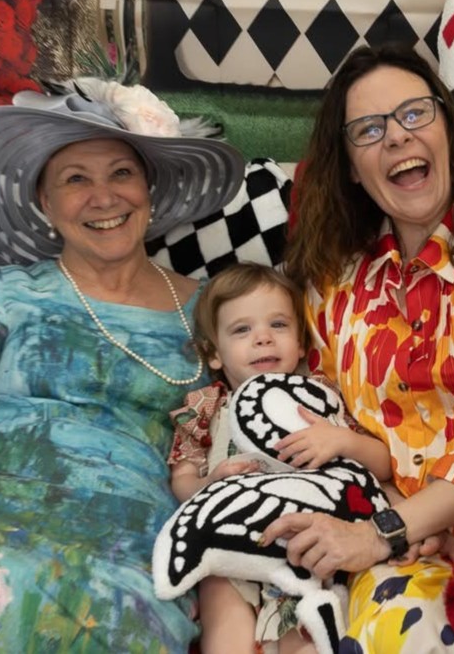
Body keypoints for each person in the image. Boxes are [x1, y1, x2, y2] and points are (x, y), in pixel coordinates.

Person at [0, 79, 244, 652]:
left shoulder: (216, 308)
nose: (103, 198)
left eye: (120, 173)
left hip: (133, 537)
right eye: (75, 179)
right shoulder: (6, 296)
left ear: (149, 188)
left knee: (124, 614)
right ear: (45, 202)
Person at [263, 44, 454, 652]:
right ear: (352, 166)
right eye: (369, 129)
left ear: (448, 131)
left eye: (414, 114)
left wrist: (389, 530)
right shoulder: (335, 286)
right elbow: (326, 418)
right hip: (372, 527)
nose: (396, 138)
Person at [167, 261, 393, 654]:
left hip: (313, 545)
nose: (263, 339)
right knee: (223, 610)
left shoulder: (321, 396)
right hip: (236, 545)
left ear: (302, 343)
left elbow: (383, 464)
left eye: (278, 325)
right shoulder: (206, 406)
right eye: (242, 330)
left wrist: (340, 441)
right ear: (213, 353)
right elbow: (182, 477)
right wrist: (207, 484)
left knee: (309, 633)